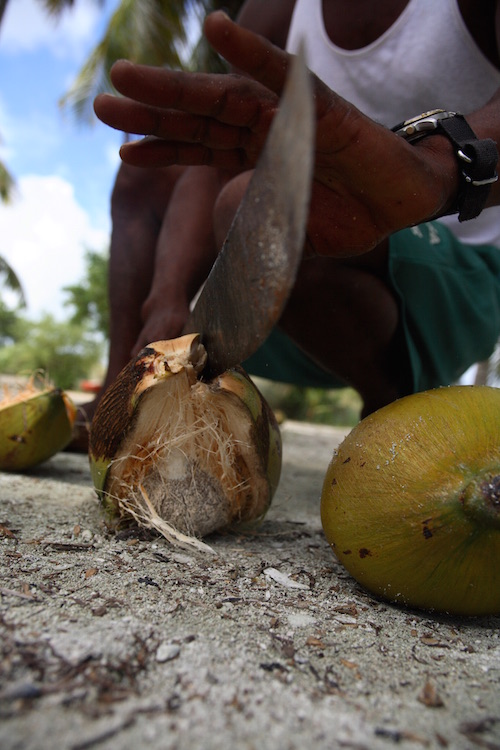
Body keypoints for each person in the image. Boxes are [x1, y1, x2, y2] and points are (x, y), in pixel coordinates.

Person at [71, 0, 500, 450]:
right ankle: (120, 396)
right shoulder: (274, 11)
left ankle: (392, 400)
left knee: (256, 199)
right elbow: (215, 162)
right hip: (297, 299)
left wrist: (438, 169)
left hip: (454, 291)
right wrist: (167, 296)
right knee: (150, 173)